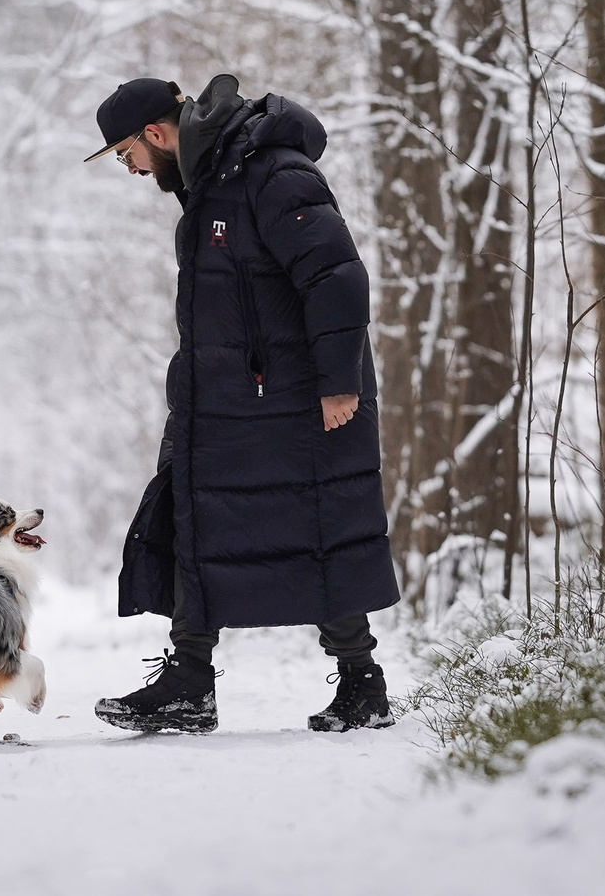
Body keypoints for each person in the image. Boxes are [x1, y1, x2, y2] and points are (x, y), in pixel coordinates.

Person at [88, 73, 400, 735]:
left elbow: (335, 274)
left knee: (320, 530)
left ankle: (361, 683)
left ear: (154, 133)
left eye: (127, 154)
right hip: (226, 397)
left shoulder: (270, 171)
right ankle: (189, 684)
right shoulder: (214, 180)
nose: (132, 169)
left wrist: (339, 381)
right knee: (193, 517)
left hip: (297, 398)